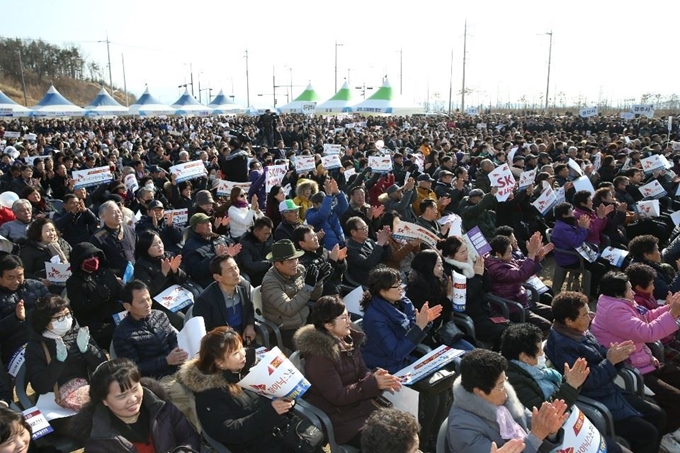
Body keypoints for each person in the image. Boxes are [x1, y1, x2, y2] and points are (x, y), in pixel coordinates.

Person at [545, 291, 668, 453]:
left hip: (610, 390)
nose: (590, 317)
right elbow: (588, 382)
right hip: (598, 400)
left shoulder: (577, 331)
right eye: (584, 315)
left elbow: (600, 353)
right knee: (647, 433)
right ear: (569, 320)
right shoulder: (563, 347)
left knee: (659, 415)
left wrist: (616, 353)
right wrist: (611, 361)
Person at [294, 296, 401, 447]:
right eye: (343, 318)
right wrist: (372, 383)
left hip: (360, 408)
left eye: (348, 315)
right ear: (328, 325)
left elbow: (362, 372)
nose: (349, 321)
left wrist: (376, 376)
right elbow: (338, 397)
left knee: (401, 430)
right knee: (386, 443)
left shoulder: (348, 340)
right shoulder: (319, 356)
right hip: (341, 419)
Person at [590, 271, 680, 438]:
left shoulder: (618, 303)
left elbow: (645, 317)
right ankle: (666, 434)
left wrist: (669, 308)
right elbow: (647, 332)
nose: (632, 293)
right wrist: (673, 314)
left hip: (644, 360)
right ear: (618, 293)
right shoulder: (614, 312)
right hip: (634, 369)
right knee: (675, 399)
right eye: (629, 289)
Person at [176, 326, 293, 453]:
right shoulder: (208, 395)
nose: (243, 354)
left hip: (284, 431)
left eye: (241, 347)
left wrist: (286, 394)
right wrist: (271, 412)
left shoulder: (247, 368)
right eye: (235, 353)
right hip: (258, 445)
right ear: (220, 363)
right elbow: (229, 431)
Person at [447, 349, 568, 453]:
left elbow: (536, 429)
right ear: (479, 392)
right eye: (500, 385)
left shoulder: (505, 399)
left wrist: (551, 432)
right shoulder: (462, 428)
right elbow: (535, 437)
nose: (506, 390)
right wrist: (536, 437)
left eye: (505, 380)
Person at [71, 358, 200, 452]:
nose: (132, 399)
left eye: (134, 389)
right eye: (121, 396)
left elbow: (189, 436)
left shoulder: (160, 407)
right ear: (104, 400)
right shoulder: (98, 437)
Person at [25, 295, 105, 434]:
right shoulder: (36, 346)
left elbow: (103, 366)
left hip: (88, 393)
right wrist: (58, 361)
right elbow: (40, 386)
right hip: (56, 405)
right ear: (45, 322)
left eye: (68, 314)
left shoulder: (78, 333)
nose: (66, 320)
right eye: (59, 318)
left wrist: (87, 350)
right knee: (91, 427)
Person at [441, 236, 508, 350]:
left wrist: (483, 271)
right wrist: (477, 277)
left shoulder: (469, 263)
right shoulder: (449, 272)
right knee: (506, 334)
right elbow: (465, 297)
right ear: (452, 255)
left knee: (511, 328)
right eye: (462, 252)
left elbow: (487, 287)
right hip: (471, 316)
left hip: (485, 310)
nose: (466, 254)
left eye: (466, 250)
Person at [261, 239, 328, 351]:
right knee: (316, 349)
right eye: (290, 261)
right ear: (277, 264)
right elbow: (288, 309)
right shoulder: (270, 282)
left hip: (305, 320)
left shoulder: (300, 270)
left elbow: (314, 297)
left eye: (296, 259)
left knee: (332, 333)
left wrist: (317, 282)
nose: (295, 263)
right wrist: (308, 288)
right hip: (285, 329)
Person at [112, 280, 187, 380]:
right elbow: (133, 369)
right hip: (156, 378)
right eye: (141, 302)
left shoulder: (160, 315)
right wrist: (166, 361)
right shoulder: (123, 334)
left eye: (149, 299)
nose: (148, 304)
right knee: (185, 395)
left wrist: (176, 351)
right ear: (127, 306)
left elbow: (173, 337)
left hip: (178, 365)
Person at [405, 250, 475, 351]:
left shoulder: (438, 281)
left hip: (446, 333)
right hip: (431, 339)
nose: (442, 269)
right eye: (438, 265)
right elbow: (433, 319)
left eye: (441, 265)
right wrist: (448, 297)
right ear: (428, 266)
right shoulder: (416, 290)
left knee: (472, 350)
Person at [485, 233, 553, 334]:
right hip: (513, 308)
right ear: (498, 254)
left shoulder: (503, 260)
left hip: (523, 301)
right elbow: (520, 275)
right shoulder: (496, 269)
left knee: (555, 312)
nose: (512, 256)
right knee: (546, 326)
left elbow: (521, 264)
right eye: (509, 253)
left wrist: (537, 257)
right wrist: (531, 255)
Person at [66, 242, 123, 350]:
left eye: (95, 256)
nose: (93, 259)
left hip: (115, 315)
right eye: (88, 257)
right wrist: (99, 298)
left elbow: (120, 293)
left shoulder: (106, 273)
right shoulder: (73, 283)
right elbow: (82, 308)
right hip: (95, 324)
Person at [0, 255, 50, 368]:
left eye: (20, 276)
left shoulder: (36, 286)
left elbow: (53, 306)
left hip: (44, 339)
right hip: (15, 347)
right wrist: (16, 318)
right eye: (10, 277)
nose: (16, 281)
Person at [626, 262, 680, 364]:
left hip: (669, 337)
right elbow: (650, 323)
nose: (654, 287)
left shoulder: (647, 295)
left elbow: (654, 312)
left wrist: (667, 305)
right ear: (638, 287)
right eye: (651, 284)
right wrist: (671, 310)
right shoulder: (638, 302)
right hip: (662, 342)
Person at [132, 230, 186, 330]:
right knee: (180, 319)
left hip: (176, 294)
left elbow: (184, 279)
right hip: (158, 300)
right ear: (146, 248)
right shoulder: (141, 265)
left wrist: (176, 271)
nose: (159, 246)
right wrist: (163, 273)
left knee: (194, 308)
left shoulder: (168, 255)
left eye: (160, 242)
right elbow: (148, 290)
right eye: (154, 245)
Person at [550, 202, 607, 298]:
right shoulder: (562, 228)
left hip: (578, 254)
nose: (573, 215)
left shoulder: (565, 223)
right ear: (564, 215)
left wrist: (583, 228)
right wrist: (583, 228)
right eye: (570, 213)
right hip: (571, 259)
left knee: (604, 261)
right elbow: (577, 242)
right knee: (600, 268)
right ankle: (592, 293)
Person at [193, 255, 256, 341]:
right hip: (221, 345)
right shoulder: (205, 300)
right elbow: (205, 333)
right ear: (217, 277)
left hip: (244, 340)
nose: (236, 273)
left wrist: (250, 326)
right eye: (230, 270)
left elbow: (249, 309)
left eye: (235, 267)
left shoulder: (245, 286)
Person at [182, 212, 241, 289]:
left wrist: (230, 256)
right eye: (204, 222)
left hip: (229, 276)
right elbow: (195, 272)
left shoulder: (218, 239)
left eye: (209, 222)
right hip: (211, 284)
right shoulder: (190, 247)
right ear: (196, 228)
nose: (209, 224)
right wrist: (216, 257)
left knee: (245, 284)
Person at [18, 218, 71, 291]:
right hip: (44, 288)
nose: (52, 233)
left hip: (68, 283)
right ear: (39, 234)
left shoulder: (62, 243)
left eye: (53, 230)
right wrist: (40, 280)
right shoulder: (29, 250)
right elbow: (25, 273)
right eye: (47, 231)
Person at [90, 201, 136, 278]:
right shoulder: (97, 238)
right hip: (115, 279)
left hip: (135, 274)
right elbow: (98, 264)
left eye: (119, 211)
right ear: (103, 216)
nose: (118, 214)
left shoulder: (129, 230)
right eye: (113, 213)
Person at [628, 234, 680, 300]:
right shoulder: (644, 272)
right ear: (646, 255)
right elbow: (667, 293)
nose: (659, 253)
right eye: (657, 250)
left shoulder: (642, 263)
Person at [345, 216, 393, 287]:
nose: (366, 230)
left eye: (366, 227)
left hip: (381, 276)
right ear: (353, 232)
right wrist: (379, 244)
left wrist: (385, 244)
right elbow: (368, 264)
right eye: (363, 228)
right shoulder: (350, 249)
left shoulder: (369, 241)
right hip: (368, 281)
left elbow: (387, 258)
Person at [236, 217, 273, 287]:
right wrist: (269, 264)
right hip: (250, 272)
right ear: (256, 231)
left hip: (266, 268)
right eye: (265, 234)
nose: (267, 236)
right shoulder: (245, 242)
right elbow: (249, 264)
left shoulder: (269, 237)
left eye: (269, 233)